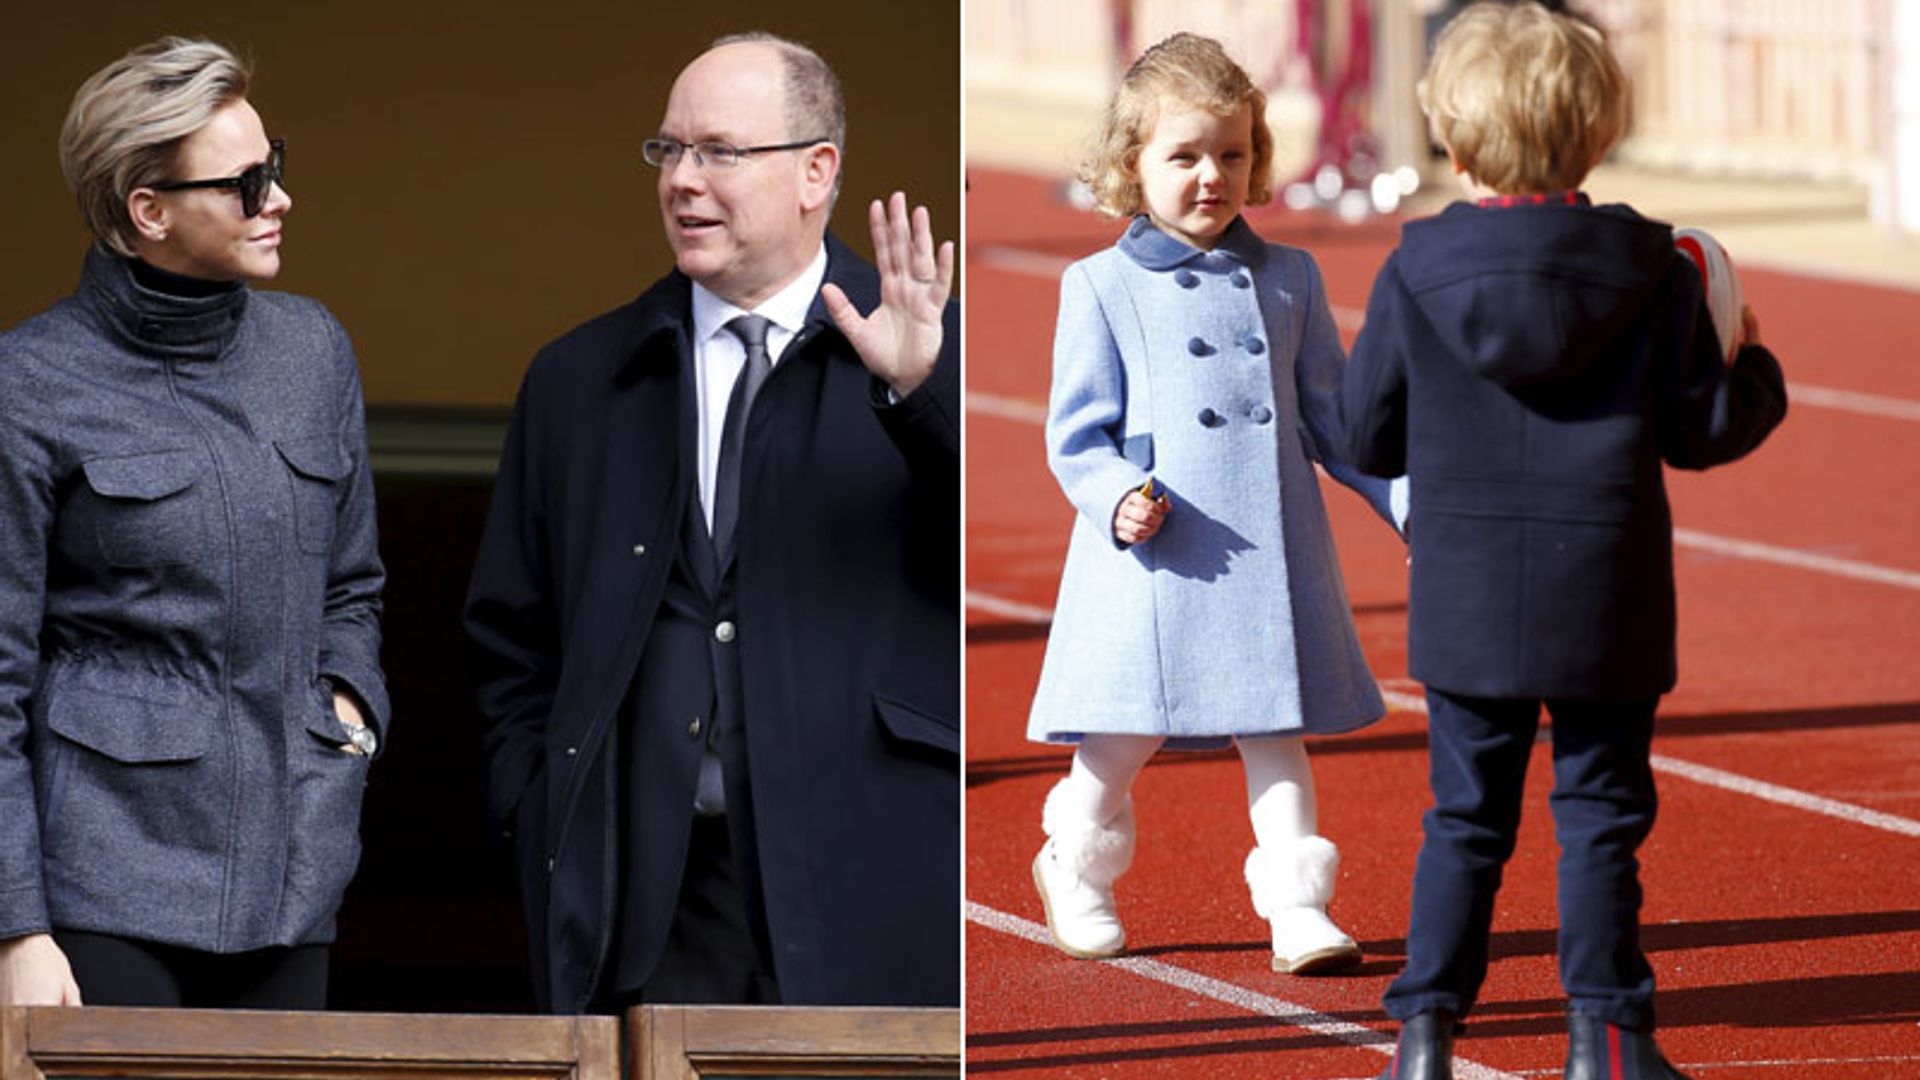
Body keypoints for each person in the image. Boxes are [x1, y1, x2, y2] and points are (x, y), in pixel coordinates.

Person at [463, 32, 958, 1014]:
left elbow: (986, 563)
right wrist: (540, 806)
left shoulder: (926, 348)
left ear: (817, 171)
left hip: (868, 894)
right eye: (669, 151)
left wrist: (918, 396)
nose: (683, 181)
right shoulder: (578, 379)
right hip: (649, 907)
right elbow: (508, 639)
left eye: (720, 153)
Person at [1339, 5, 1788, 1078]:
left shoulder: (1414, 273)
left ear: (1452, 143)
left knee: (1464, 821)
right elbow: (1702, 432)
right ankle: (1611, 1039)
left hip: (1464, 594)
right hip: (1607, 590)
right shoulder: (1660, 272)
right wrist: (1755, 366)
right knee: (1599, 819)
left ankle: (1424, 1037)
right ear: (1600, 134)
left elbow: (1365, 431)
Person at [0, 37, 387, 1010]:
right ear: (149, 211)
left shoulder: (312, 350)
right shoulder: (30, 383)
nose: (279, 199)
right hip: (100, 878)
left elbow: (353, 585)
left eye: (277, 167)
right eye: (247, 183)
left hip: (297, 861)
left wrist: (347, 706)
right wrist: (17, 929)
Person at [1025, 32, 1405, 977]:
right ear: (1131, 166)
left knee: (1275, 730)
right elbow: (1076, 434)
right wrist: (1116, 499)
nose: (1211, 176)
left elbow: (1339, 421)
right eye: (1184, 156)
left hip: (1268, 551)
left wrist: (1412, 501)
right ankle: (1073, 859)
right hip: (1158, 555)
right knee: (1121, 741)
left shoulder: (1290, 281)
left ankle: (1299, 908)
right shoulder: (1101, 286)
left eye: (1231, 155)